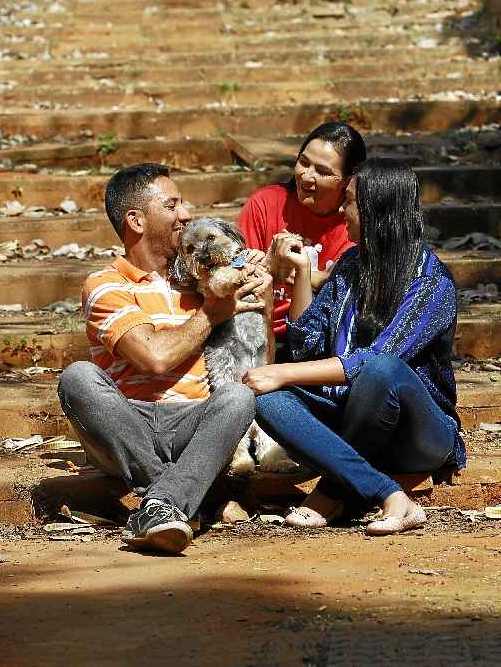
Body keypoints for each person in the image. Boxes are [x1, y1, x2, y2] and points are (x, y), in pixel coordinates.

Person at [243, 159, 466, 536]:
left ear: (377, 210)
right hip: (349, 415)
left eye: (349, 202)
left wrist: (280, 371)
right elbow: (305, 345)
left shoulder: (432, 282)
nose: (341, 210)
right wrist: (301, 271)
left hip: (416, 433)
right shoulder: (350, 263)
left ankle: (331, 491)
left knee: (382, 372)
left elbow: (373, 361)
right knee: (265, 400)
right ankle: (388, 494)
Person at [57, 163, 272, 554]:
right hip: (127, 423)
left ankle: (160, 504)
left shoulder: (204, 280)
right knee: (78, 378)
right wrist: (213, 312)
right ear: (136, 220)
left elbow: (256, 358)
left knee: (239, 397)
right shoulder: (106, 284)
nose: (185, 215)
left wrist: (262, 304)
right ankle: (173, 497)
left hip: (194, 423)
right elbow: (154, 358)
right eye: (172, 205)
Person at [238, 121, 366, 341]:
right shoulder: (265, 203)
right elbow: (236, 267)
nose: (307, 177)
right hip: (259, 331)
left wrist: (295, 273)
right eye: (303, 162)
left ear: (347, 181)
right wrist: (273, 266)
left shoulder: (356, 221)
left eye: (323, 172)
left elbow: (357, 283)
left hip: (328, 339)